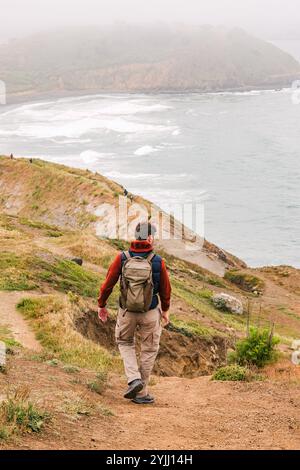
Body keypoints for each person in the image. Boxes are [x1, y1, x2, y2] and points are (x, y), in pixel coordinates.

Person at [98, 222, 171, 404]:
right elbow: (165, 289)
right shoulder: (157, 261)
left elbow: (108, 284)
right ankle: (141, 393)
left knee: (124, 342)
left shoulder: (122, 258)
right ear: (150, 238)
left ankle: (133, 379)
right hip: (150, 311)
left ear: (135, 236)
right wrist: (166, 310)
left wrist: (102, 304)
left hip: (127, 311)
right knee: (149, 350)